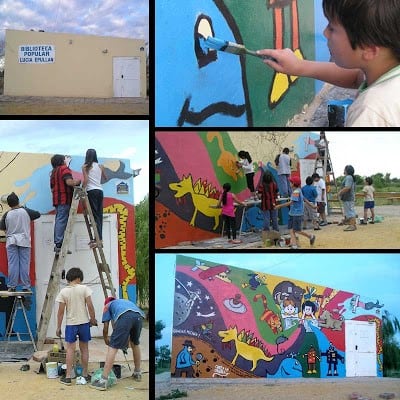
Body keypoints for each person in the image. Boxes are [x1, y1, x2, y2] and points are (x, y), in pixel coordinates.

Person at [257, 0, 400, 127]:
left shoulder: (370, 113)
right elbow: (357, 77)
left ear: (369, 49)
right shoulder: (385, 67)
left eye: (332, 28)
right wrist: (298, 66)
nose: (325, 33)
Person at [90, 297, 146, 391]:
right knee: (135, 344)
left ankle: (103, 380)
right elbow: (129, 322)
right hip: (139, 317)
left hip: (125, 317)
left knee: (113, 347)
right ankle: (137, 373)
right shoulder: (123, 302)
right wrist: (125, 342)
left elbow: (106, 327)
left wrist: (106, 339)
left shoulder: (107, 306)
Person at [56, 267, 97, 386]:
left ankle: (68, 377)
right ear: (79, 278)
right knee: (84, 349)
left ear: (69, 278)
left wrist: (58, 327)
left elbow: (60, 312)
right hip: (84, 323)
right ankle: (85, 374)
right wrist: (93, 320)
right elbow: (90, 306)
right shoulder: (84, 289)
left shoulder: (63, 292)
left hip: (71, 324)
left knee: (70, 349)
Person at [0, 192, 40, 292]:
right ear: (18, 201)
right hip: (24, 241)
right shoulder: (25, 211)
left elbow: (1, 226)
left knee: (13, 264)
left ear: (8, 204)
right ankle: (26, 286)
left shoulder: (7, 214)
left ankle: (12, 286)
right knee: (24, 264)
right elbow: (37, 214)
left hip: (11, 241)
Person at [50, 154, 81, 254]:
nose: (65, 161)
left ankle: (58, 244)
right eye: (64, 159)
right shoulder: (64, 169)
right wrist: (77, 181)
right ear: (61, 161)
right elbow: (69, 182)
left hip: (57, 200)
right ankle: (59, 244)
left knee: (59, 220)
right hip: (64, 199)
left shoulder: (53, 172)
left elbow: (52, 187)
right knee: (62, 220)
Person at [274, 176, 316, 249]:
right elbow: (304, 199)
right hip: (292, 213)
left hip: (296, 214)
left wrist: (279, 206)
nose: (289, 183)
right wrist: (312, 205)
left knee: (296, 230)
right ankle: (294, 244)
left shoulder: (296, 192)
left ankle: (310, 236)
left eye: (290, 182)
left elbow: (291, 202)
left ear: (293, 184)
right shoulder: (298, 190)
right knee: (291, 229)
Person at [82, 149, 106, 248]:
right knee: (99, 215)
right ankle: (99, 239)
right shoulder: (101, 166)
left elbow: (86, 180)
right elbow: (105, 178)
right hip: (100, 191)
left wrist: (82, 189)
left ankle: (97, 240)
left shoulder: (85, 167)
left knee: (94, 215)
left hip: (91, 191)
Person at [337, 165, 357, 231]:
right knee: (349, 211)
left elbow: (347, 187)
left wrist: (339, 193)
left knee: (350, 212)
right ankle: (350, 223)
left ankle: (352, 225)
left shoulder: (348, 177)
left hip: (348, 198)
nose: (344, 170)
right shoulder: (350, 177)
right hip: (348, 198)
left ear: (347, 170)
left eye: (344, 169)